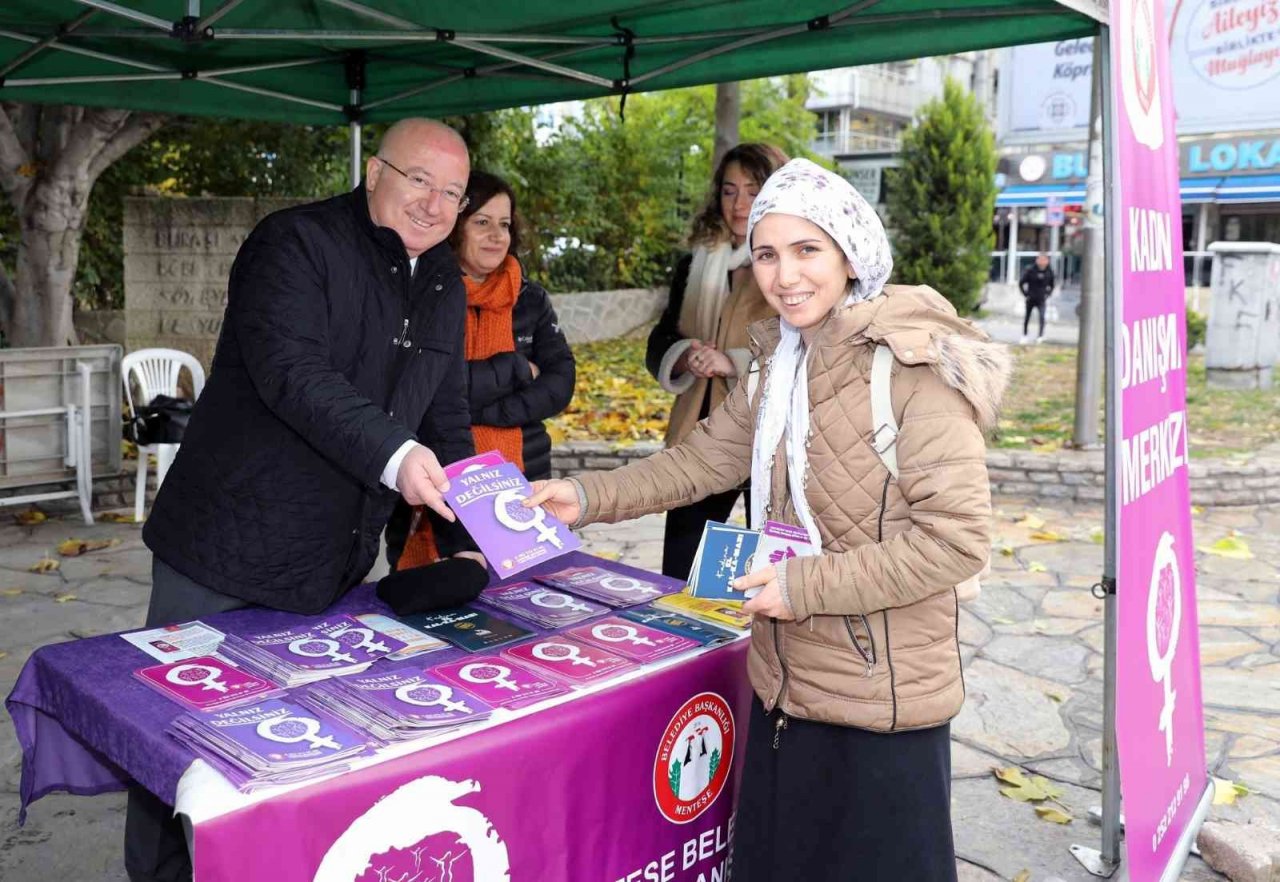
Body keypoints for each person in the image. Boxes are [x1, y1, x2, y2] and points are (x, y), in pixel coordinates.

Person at [528, 158, 1010, 881]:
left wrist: (800, 587)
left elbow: (955, 542)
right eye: (766, 254)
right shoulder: (779, 363)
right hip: (786, 687)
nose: (785, 276)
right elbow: (699, 463)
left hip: (881, 706)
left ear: (851, 253)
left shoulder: (914, 371)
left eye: (807, 249)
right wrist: (586, 497)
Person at [129, 118, 482, 882]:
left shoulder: (446, 283)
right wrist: (398, 457)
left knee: (287, 754)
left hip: (332, 567)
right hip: (221, 553)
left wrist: (479, 528)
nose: (434, 204)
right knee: (181, 751)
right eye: (419, 180)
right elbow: (292, 374)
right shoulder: (293, 243)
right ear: (375, 173)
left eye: (452, 192)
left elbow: (445, 416)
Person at [388, 170, 576, 568]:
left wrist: (490, 411)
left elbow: (561, 383)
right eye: (482, 222)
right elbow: (423, 388)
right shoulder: (420, 295)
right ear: (456, 226)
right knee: (440, 587)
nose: (496, 236)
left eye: (504, 225)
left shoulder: (529, 298)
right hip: (432, 475)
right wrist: (515, 370)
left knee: (520, 589)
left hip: (523, 477)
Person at [645, 142, 788, 580]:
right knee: (681, 571)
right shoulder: (696, 263)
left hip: (770, 435)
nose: (739, 204)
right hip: (702, 431)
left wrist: (733, 362)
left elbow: (805, 346)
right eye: (729, 191)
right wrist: (686, 355)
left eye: (752, 190)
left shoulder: (788, 262)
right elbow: (661, 339)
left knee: (770, 572)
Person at [1019, 251, 1055, 344]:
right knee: (1027, 317)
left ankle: (1040, 336)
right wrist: (1026, 294)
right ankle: (1024, 335)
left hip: (1041, 299)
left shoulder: (1049, 272)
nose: (1042, 262)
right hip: (1031, 298)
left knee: (1042, 317)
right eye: (1040, 259)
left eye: (1044, 260)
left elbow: (1052, 285)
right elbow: (1021, 283)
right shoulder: (1030, 270)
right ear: (1037, 260)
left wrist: (1047, 294)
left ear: (1047, 261)